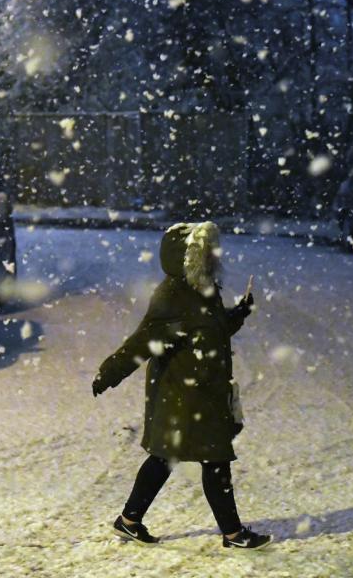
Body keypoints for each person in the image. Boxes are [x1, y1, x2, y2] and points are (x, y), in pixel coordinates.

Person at [92, 221, 272, 550]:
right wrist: (110, 372)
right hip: (181, 395)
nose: (212, 256)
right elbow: (143, 342)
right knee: (211, 459)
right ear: (186, 256)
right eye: (204, 252)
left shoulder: (204, 289)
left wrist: (240, 313)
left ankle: (129, 520)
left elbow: (211, 332)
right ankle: (233, 534)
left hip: (203, 393)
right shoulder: (172, 295)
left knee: (167, 458)